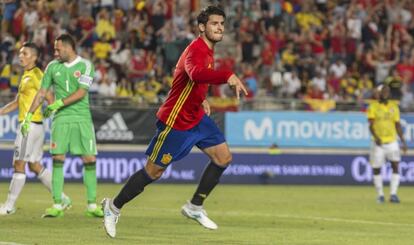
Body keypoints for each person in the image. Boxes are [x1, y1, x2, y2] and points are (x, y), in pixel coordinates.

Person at [102, 5, 248, 238]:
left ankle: (194, 207)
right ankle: (113, 207)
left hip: (196, 116)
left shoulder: (207, 50)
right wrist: (227, 75)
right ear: (202, 27)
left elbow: (186, 76)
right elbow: (196, 73)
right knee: (153, 172)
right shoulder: (196, 50)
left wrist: (201, 98)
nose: (219, 27)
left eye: (221, 23)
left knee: (223, 158)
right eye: (214, 23)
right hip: (176, 121)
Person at [21, 34, 103, 218]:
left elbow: (82, 92)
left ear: (68, 48)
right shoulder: (52, 67)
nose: (55, 52)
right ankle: (57, 205)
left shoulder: (86, 65)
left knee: (89, 160)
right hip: (61, 120)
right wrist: (28, 115)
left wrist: (58, 103)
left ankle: (91, 206)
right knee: (58, 159)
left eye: (58, 49)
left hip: (82, 119)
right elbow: (42, 93)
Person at [0, 42, 71, 215]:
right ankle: (62, 198)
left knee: (18, 163)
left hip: (30, 126)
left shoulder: (37, 75)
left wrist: (56, 113)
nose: (20, 56)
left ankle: (8, 206)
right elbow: (18, 102)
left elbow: (48, 95)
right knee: (34, 165)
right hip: (35, 127)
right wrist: (1, 111)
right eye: (20, 53)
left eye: (24, 53)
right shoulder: (26, 76)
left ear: (34, 57)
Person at [367, 84, 407, 204]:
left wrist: (403, 141)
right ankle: (380, 195)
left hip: (392, 142)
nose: (385, 93)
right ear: (379, 93)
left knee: (396, 166)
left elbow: (397, 125)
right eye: (383, 91)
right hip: (378, 143)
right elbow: (371, 125)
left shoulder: (394, 106)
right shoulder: (373, 106)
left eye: (387, 91)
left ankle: (393, 194)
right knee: (377, 168)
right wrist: (376, 137)